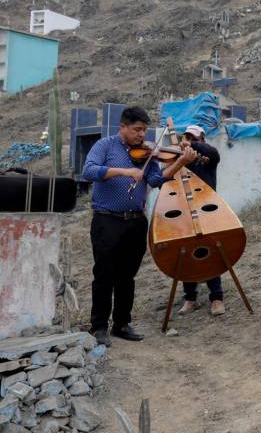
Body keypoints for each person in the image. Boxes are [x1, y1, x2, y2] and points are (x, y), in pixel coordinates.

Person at [82, 106, 196, 346]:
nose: (142, 135)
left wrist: (179, 163)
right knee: (103, 274)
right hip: (107, 219)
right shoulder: (105, 145)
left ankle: (122, 323)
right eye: (137, 130)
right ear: (122, 126)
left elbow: (154, 180)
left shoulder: (148, 153)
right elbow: (89, 170)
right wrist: (125, 171)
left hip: (135, 221)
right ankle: (99, 326)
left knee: (127, 276)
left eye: (144, 130)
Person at [176, 125, 225, 317]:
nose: (190, 141)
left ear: (202, 140)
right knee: (186, 252)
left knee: (210, 251)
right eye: (187, 137)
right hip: (184, 211)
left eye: (195, 139)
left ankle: (216, 297)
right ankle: (190, 298)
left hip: (207, 211)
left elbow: (213, 153)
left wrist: (193, 145)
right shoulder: (180, 159)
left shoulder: (208, 158)